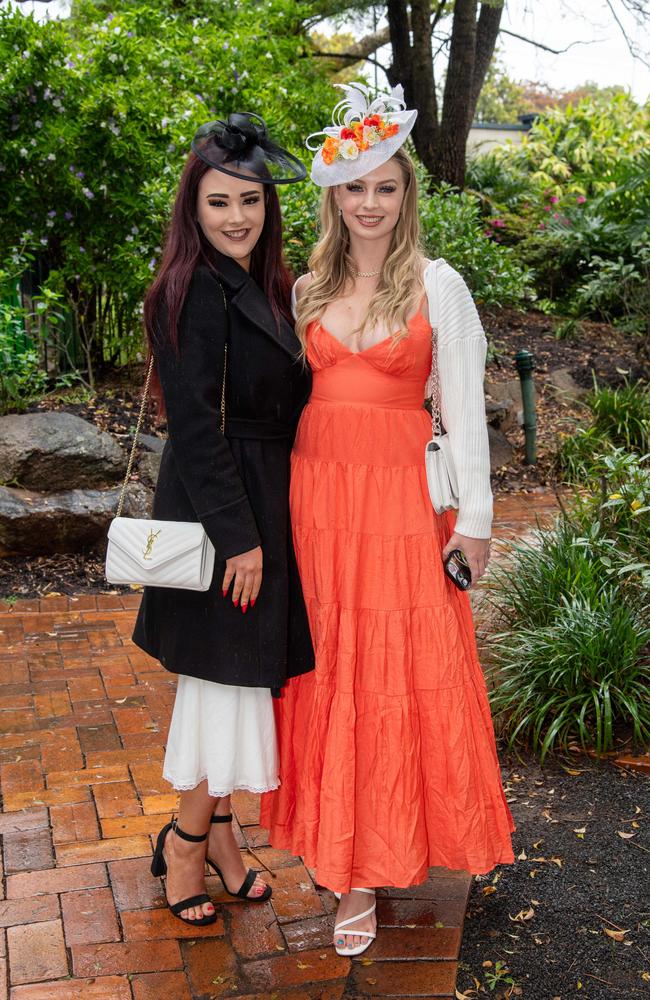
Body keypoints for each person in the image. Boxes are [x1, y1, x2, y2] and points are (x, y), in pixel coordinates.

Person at [260, 84, 515, 956]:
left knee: (398, 675)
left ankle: (391, 848)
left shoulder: (439, 287)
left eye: (386, 187)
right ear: (333, 198)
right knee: (329, 673)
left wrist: (473, 521)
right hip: (317, 508)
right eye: (354, 188)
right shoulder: (303, 289)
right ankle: (348, 871)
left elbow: (467, 413)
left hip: (403, 506)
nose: (370, 204)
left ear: (407, 195)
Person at [132, 113, 314, 925]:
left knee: (241, 686)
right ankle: (184, 842)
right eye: (218, 203)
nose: (237, 216)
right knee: (218, 688)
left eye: (250, 199)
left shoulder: (270, 284)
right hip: (221, 508)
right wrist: (240, 539)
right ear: (192, 210)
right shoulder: (184, 289)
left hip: (265, 494)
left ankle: (222, 837)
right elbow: (195, 428)